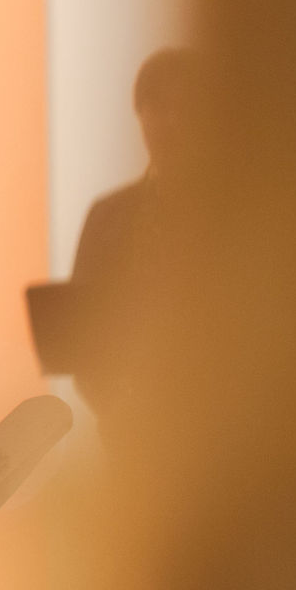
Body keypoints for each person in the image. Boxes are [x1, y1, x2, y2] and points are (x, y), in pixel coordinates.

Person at [67, 47, 195, 441]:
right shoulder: (109, 215)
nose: (171, 123)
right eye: (157, 108)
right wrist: (116, 407)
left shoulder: (241, 219)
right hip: (130, 435)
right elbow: (81, 331)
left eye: (184, 108)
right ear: (140, 115)